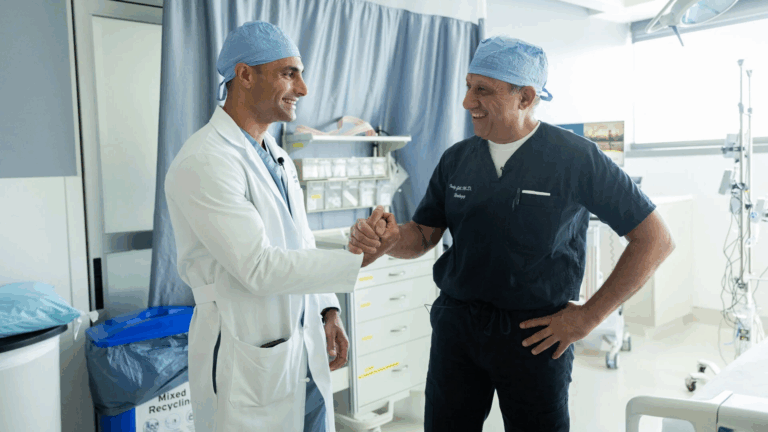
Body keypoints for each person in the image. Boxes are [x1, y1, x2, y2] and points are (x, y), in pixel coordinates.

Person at [348, 36, 675, 431]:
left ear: (525, 98)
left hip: (537, 334)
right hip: (458, 328)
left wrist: (588, 318)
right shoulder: (457, 159)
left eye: (483, 90)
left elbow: (655, 239)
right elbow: (423, 234)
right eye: (468, 87)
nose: (468, 102)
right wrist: (389, 240)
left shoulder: (575, 158)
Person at [164, 21, 386, 432]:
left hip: (302, 346)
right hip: (243, 348)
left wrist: (328, 309)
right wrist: (355, 260)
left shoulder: (276, 155)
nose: (303, 89)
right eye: (289, 73)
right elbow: (258, 267)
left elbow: (298, 243)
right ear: (245, 75)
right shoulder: (206, 160)